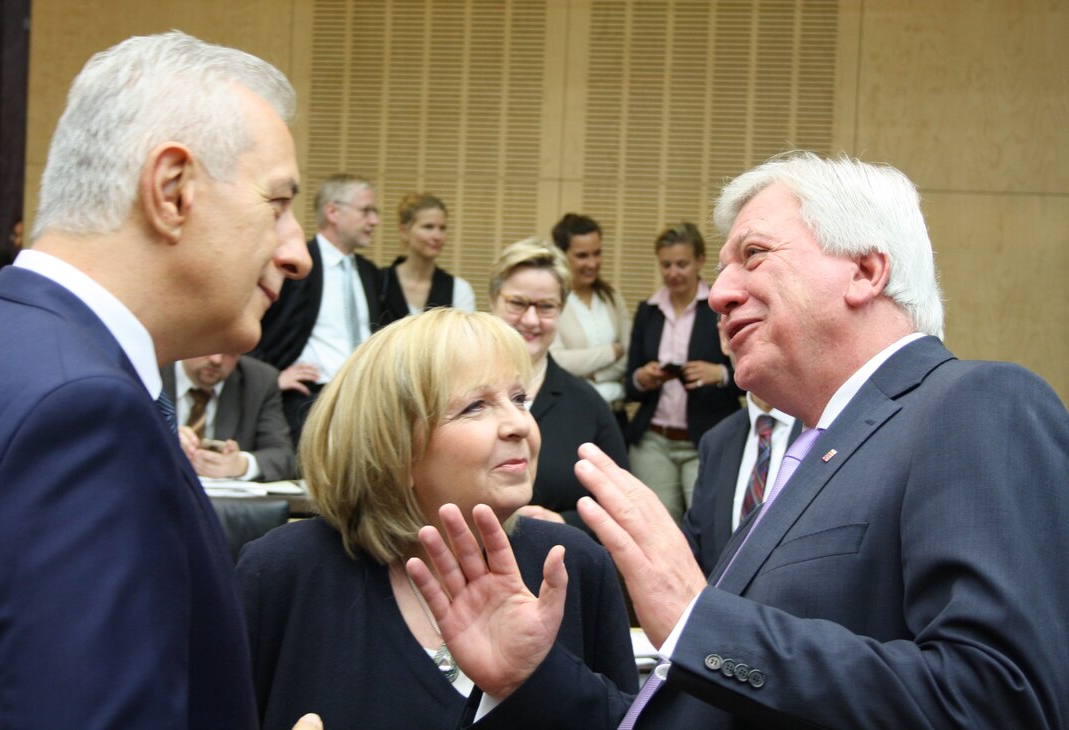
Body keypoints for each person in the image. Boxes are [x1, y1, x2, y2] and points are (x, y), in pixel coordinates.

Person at [407, 152, 1069, 729]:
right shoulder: (812, 452)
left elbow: (1000, 702)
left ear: (866, 271)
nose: (718, 294)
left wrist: (702, 623)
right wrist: (527, 678)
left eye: (752, 255)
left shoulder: (974, 406)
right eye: (721, 268)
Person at [0, 31, 323, 728]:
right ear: (172, 191)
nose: (297, 254)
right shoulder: (83, 415)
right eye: (278, 205)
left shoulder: (0, 343)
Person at [235, 308, 637, 729]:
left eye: (520, 399)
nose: (519, 423)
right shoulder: (282, 573)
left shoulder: (572, 564)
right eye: (476, 406)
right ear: (392, 447)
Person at [487, 238, 628, 532]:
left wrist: (565, 522)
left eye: (546, 307)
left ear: (561, 309)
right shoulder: (451, 391)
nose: (530, 319)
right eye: (517, 303)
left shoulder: (589, 406)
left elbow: (622, 505)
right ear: (492, 299)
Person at [252, 173, 382, 443]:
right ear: (333, 211)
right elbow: (255, 323)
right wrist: (270, 379)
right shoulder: (295, 265)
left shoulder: (370, 274)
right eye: (366, 211)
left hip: (363, 404)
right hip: (307, 401)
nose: (374, 221)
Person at [625, 222, 740, 525]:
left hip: (704, 437)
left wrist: (720, 373)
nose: (673, 272)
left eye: (682, 264)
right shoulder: (648, 310)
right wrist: (643, 377)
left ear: (700, 261)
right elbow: (630, 385)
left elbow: (750, 375)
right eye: (666, 265)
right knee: (657, 524)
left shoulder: (720, 307)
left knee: (703, 521)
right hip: (653, 439)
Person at [682, 322, 801, 575]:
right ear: (725, 340)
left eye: (762, 322)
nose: (753, 338)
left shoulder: (826, 431)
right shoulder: (716, 442)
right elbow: (697, 548)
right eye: (740, 326)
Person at [548, 213, 631, 430]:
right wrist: (612, 352)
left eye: (597, 253)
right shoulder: (551, 300)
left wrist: (594, 374)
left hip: (614, 415)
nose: (592, 263)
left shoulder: (612, 297)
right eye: (582, 255)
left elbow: (630, 354)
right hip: (570, 414)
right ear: (562, 254)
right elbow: (557, 361)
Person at [161, 353, 298, 482]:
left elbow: (283, 456)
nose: (217, 360)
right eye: (209, 348)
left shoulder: (259, 381)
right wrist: (165, 441)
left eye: (229, 352)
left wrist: (240, 465)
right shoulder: (152, 369)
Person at [379, 192, 476, 325]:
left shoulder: (458, 289)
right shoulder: (378, 282)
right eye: (428, 227)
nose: (437, 236)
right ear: (404, 231)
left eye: (442, 228)